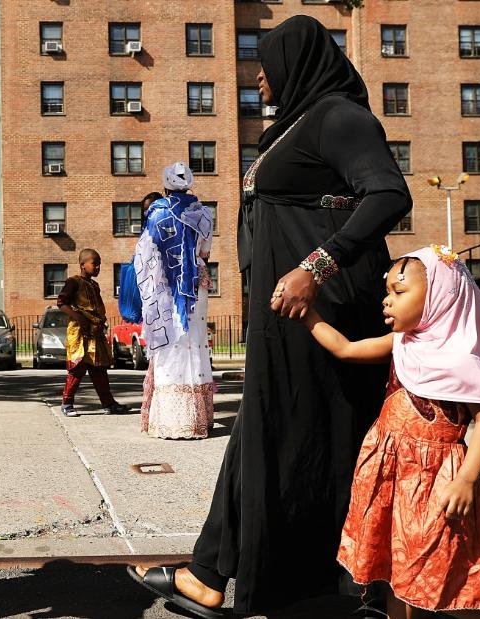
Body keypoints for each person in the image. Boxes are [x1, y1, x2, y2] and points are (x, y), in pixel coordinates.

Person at [130, 15, 411, 617]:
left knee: (307, 434)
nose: (258, 76)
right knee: (269, 431)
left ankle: (347, 580)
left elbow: (388, 194)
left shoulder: (341, 116)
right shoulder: (298, 124)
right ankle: (216, 573)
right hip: (282, 312)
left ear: (300, 63)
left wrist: (317, 266)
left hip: (325, 306)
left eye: (269, 62)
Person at [302, 246, 480, 619]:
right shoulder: (403, 344)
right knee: (394, 566)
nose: (387, 301)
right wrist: (308, 314)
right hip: (390, 473)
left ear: (442, 295)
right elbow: (346, 348)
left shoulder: (460, 360)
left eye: (399, 292)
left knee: (446, 560)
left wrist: (467, 479)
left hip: (436, 480)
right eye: (388, 291)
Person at [135, 163, 215, 439]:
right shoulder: (204, 213)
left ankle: (171, 420)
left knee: (170, 346)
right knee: (195, 343)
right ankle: (198, 419)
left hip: (166, 286)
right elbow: (204, 251)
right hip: (197, 284)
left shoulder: (156, 214)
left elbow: (145, 255)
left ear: (165, 185)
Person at [58, 248, 129, 417]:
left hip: (95, 333)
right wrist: (79, 318)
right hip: (80, 332)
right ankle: (67, 403)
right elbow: (62, 303)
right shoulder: (73, 282)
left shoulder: (94, 285)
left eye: (99, 265)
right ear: (83, 265)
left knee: (99, 369)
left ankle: (108, 403)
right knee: (78, 368)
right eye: (94, 264)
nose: (97, 267)